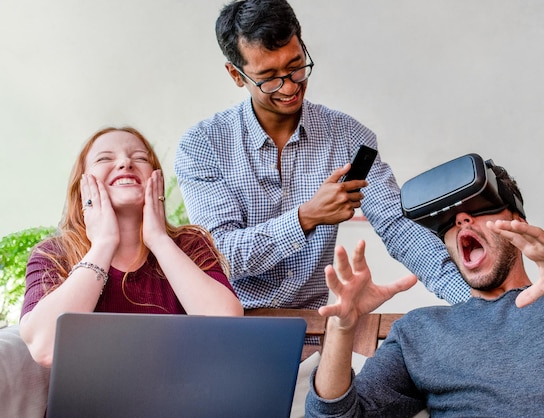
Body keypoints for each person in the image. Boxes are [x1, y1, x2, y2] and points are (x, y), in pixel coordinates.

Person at [174, 0, 470, 311]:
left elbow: (398, 226)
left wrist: (470, 302)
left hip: (312, 333)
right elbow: (222, 255)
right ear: (236, 75)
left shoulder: (348, 137)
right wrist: (306, 217)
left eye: (296, 66)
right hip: (231, 327)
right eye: (269, 77)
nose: (289, 87)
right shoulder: (203, 145)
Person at [306, 160, 544, 417]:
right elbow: (334, 415)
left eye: (478, 207)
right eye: (444, 220)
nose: (461, 220)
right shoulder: (419, 332)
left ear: (517, 220)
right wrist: (342, 326)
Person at [20, 127, 243, 368]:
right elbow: (45, 349)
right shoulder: (53, 254)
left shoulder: (190, 245)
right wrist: (103, 245)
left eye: (140, 157)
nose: (126, 163)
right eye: (105, 158)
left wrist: (158, 239)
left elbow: (228, 330)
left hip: (185, 401)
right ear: (81, 186)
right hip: (89, 405)